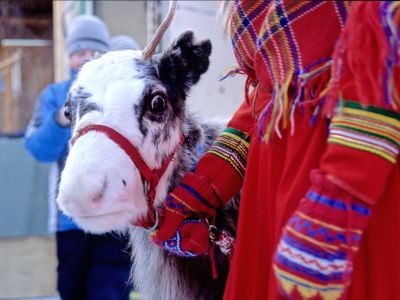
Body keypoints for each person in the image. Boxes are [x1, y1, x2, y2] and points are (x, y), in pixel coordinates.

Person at [142, 1, 400, 299]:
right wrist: (203, 189)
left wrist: (337, 205)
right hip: (271, 186)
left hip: (343, 177)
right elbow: (267, 98)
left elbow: (383, 67)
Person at [25, 15, 132, 300]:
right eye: (79, 52)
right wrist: (61, 119)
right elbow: (37, 148)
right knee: (71, 289)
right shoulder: (55, 95)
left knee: (109, 289)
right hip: (70, 218)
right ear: (69, 55)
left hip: (114, 215)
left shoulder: (116, 93)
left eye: (94, 52)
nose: (86, 58)